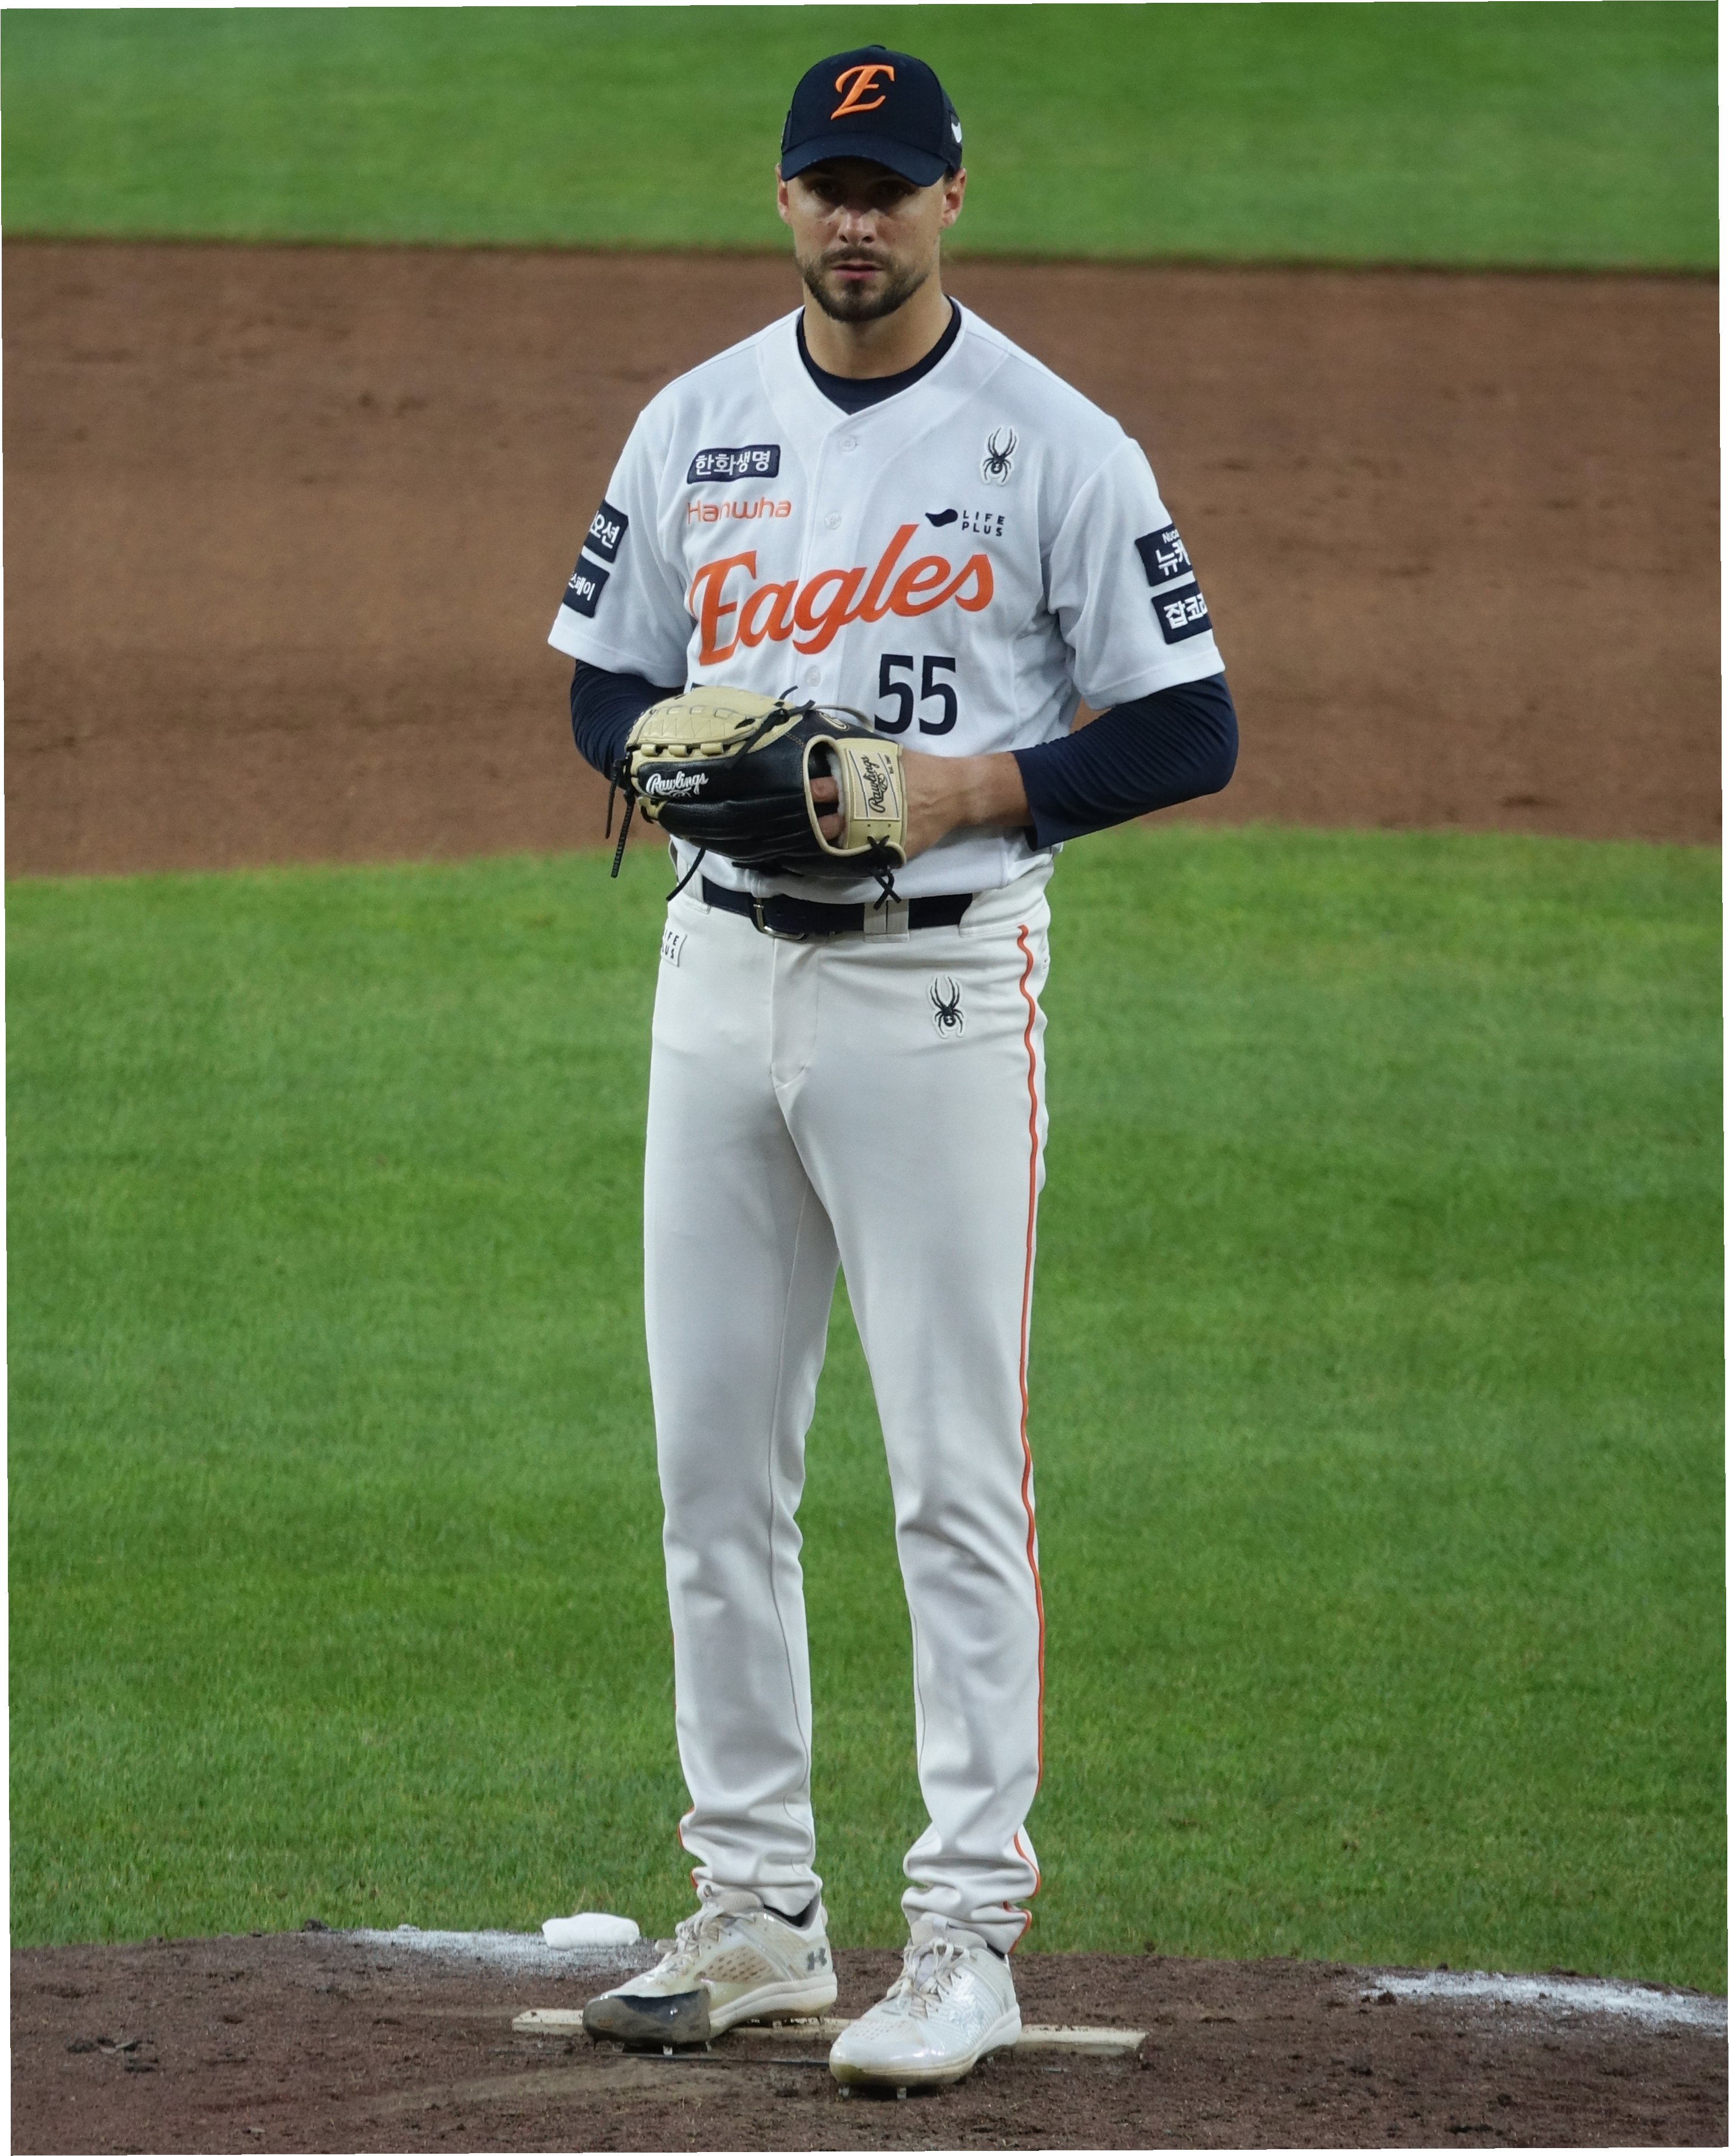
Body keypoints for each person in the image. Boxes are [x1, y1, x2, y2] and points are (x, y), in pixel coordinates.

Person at [547, 44, 1236, 2092]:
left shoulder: (1053, 442)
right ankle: (758, 1912)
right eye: (825, 185)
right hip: (715, 977)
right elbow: (605, 677)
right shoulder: (694, 423)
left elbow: (1187, 725)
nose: (856, 220)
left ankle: (964, 1937)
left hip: (939, 990)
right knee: (710, 1472)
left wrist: (964, 788)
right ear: (783, 202)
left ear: (949, 199)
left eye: (889, 185)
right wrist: (669, 760)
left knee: (949, 1475)